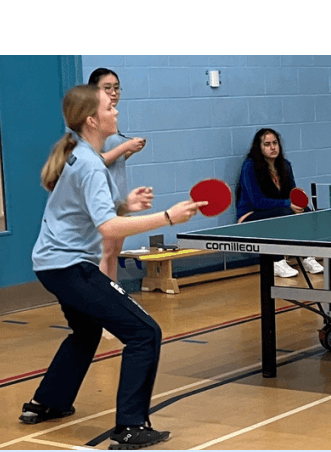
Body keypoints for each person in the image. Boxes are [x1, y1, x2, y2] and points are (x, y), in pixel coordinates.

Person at [21, 84, 205, 450]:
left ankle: (47, 402)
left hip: (51, 263)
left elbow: (93, 213)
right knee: (144, 333)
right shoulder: (89, 163)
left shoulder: (83, 156)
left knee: (86, 332)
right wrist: (167, 217)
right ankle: (131, 427)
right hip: (69, 266)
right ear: (92, 119)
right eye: (109, 106)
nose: (116, 110)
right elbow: (107, 229)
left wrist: (124, 205)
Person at [236, 128, 323, 277]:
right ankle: (276, 262)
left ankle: (307, 257)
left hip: (278, 213)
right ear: (260, 147)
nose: (272, 147)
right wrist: (287, 205)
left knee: (306, 212)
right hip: (250, 217)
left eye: (275, 143)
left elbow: (292, 194)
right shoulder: (250, 167)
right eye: (267, 144)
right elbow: (258, 202)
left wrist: (297, 206)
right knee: (285, 212)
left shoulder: (285, 166)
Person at [87, 68, 147, 282]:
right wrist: (125, 147)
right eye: (107, 88)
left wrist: (129, 151)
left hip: (118, 200)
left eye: (116, 88)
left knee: (113, 253)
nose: (113, 92)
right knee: (104, 253)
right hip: (101, 201)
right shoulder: (91, 120)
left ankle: (115, 297)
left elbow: (112, 163)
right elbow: (95, 162)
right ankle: (103, 302)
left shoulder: (112, 119)